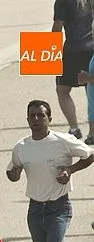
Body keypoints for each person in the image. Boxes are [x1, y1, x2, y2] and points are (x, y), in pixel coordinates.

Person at [6, 99, 94, 242]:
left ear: (50, 118)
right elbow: (12, 173)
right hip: (35, 211)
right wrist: (15, 173)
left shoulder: (62, 141)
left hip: (59, 209)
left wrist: (70, 170)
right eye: (32, 116)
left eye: (41, 115)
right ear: (27, 119)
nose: (36, 119)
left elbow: (90, 155)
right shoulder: (22, 147)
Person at [53, 0, 94, 142]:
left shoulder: (63, 1)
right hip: (91, 50)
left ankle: (74, 128)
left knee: (62, 90)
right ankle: (92, 132)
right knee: (91, 91)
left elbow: (58, 26)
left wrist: (50, 52)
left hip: (73, 51)